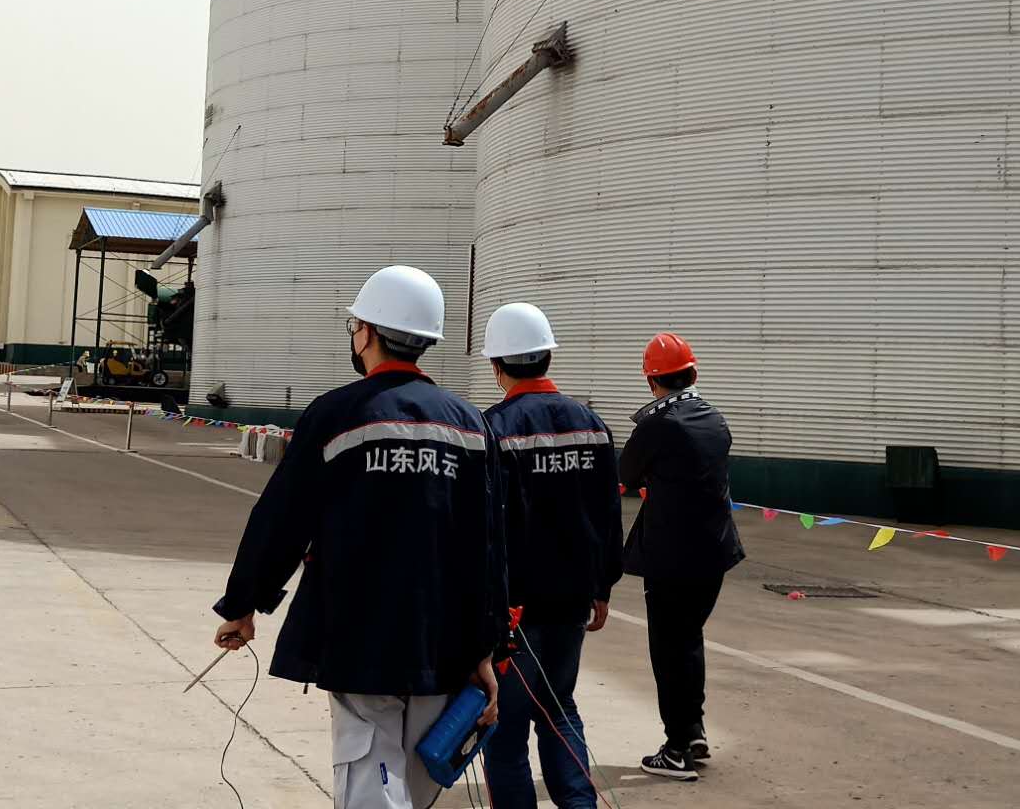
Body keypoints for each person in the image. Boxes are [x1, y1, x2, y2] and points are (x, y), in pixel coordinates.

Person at [211, 265, 506, 809]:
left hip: (359, 634)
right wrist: (485, 647)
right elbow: (489, 545)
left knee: (371, 780)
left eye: (355, 326)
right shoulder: (470, 422)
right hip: (442, 640)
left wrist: (244, 604)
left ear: (366, 333)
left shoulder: (337, 414)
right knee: (414, 784)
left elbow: (281, 519)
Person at [478, 303, 620, 809]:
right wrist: (602, 586)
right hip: (571, 604)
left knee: (506, 729)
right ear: (545, 357)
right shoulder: (591, 423)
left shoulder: (492, 429)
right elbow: (608, 512)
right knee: (560, 711)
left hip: (514, 611)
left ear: (497, 365)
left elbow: (486, 529)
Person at [619, 332, 744, 781]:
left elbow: (626, 473)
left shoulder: (656, 424)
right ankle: (692, 729)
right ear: (693, 373)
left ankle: (676, 750)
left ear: (652, 382)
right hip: (714, 553)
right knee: (688, 640)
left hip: (671, 557)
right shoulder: (715, 417)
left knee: (668, 649)